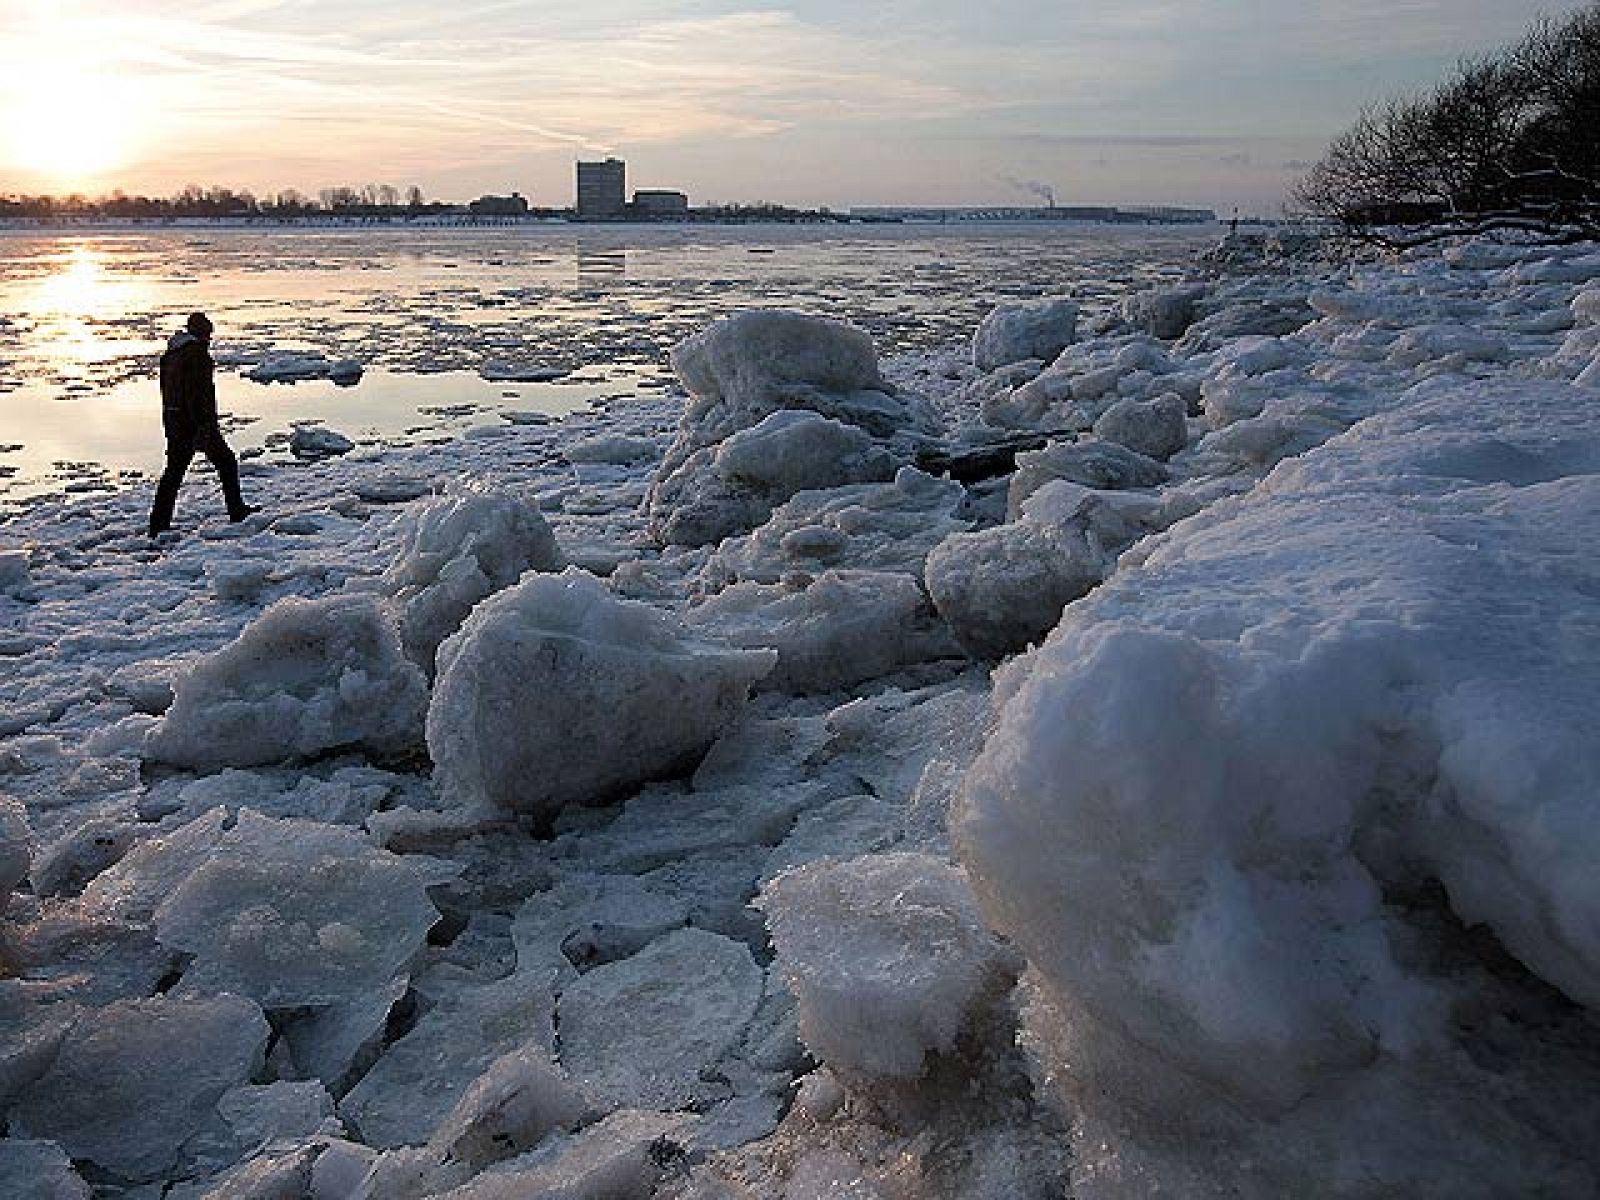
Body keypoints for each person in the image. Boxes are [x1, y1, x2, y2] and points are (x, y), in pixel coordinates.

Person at [147, 312, 258, 537]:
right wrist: (204, 426)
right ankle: (236, 510)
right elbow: (199, 395)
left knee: (173, 473)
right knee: (226, 462)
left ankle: (158, 523)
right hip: (194, 423)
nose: (210, 339)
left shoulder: (172, 355)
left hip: (174, 421)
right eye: (208, 334)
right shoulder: (196, 356)